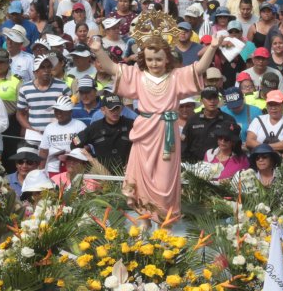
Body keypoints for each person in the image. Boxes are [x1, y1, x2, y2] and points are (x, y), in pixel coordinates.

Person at [89, 29, 222, 218]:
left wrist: (212, 48)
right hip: (145, 132)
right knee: (142, 177)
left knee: (165, 181)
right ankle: (144, 217)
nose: (154, 64)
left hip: (167, 131)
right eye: (150, 59)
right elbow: (113, 68)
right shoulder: (138, 76)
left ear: (167, 59)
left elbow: (199, 68)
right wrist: (98, 51)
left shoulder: (176, 77)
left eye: (159, 59)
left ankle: (164, 219)